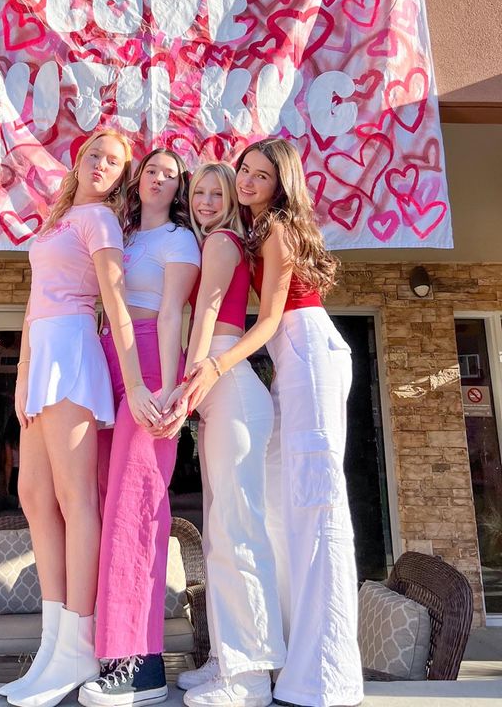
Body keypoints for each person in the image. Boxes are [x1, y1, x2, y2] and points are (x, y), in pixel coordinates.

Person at [182, 139, 363, 707]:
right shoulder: (253, 232)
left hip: (309, 354)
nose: (247, 181)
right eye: (245, 171)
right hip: (291, 363)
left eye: (261, 175)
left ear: (281, 183)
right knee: (285, 509)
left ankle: (325, 674)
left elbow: (268, 323)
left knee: (317, 506)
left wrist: (214, 364)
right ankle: (280, 656)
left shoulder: (279, 230)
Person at [0, 130, 161, 707]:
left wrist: (136, 381)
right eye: (96, 153)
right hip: (42, 354)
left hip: (71, 348)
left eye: (115, 162)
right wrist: (21, 368)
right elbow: (32, 296)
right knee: (34, 495)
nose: (102, 164)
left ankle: (78, 639)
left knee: (75, 501)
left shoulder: (102, 224)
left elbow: (115, 303)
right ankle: (53, 644)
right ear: (78, 158)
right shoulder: (60, 216)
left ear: (121, 177)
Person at [79, 148, 200, 707]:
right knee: (105, 502)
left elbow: (174, 312)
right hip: (108, 360)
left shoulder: (181, 241)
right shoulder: (121, 235)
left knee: (137, 504)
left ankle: (140, 666)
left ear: (179, 189)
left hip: (151, 362)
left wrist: (171, 387)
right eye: (152, 169)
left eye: (171, 175)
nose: (159, 178)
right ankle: (107, 649)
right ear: (139, 179)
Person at [168, 162, 286, 707]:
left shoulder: (220, 241)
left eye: (218, 191)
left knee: (238, 535)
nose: (208, 200)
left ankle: (250, 678)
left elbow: (207, 316)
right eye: (200, 192)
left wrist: (187, 385)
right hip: (223, 390)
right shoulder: (220, 241)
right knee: (220, 534)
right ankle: (225, 658)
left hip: (228, 383)